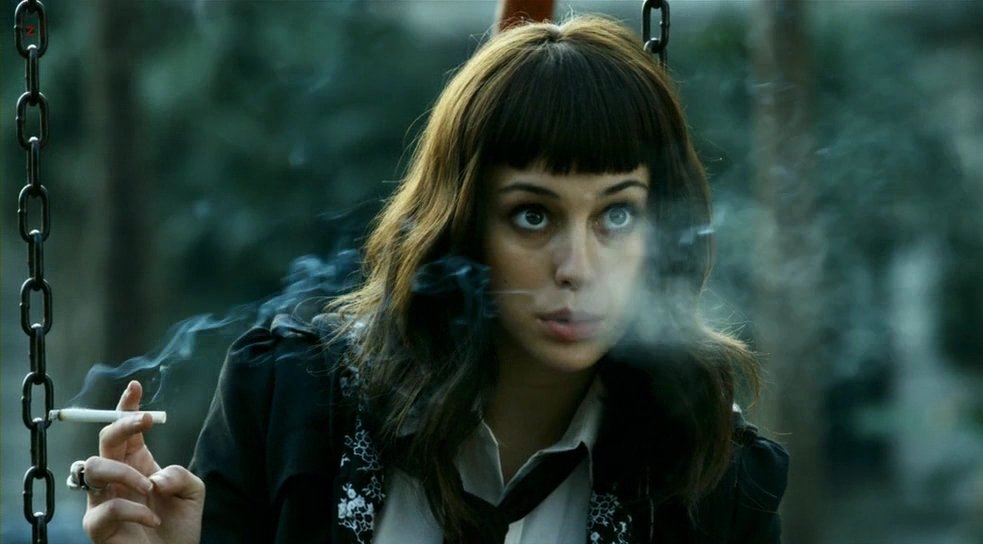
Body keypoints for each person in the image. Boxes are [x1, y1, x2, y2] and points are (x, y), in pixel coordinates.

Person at [71, 15, 789, 544]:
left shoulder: (711, 475)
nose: (577, 267)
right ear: (464, 223)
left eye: (617, 216)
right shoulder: (294, 402)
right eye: (533, 215)